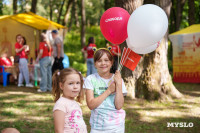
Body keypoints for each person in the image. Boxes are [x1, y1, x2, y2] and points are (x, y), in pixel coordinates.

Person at [83, 48, 127, 133]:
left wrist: (118, 85)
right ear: (95, 64)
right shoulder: (90, 79)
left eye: (106, 60)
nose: (103, 63)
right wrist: (109, 91)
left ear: (111, 62)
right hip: (98, 127)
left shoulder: (118, 79)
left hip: (116, 126)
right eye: (99, 61)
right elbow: (91, 105)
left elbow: (119, 106)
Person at [52, 68, 87, 133]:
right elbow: (58, 130)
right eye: (71, 83)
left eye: (78, 83)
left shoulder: (74, 103)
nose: (75, 86)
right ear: (61, 86)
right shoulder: (61, 104)